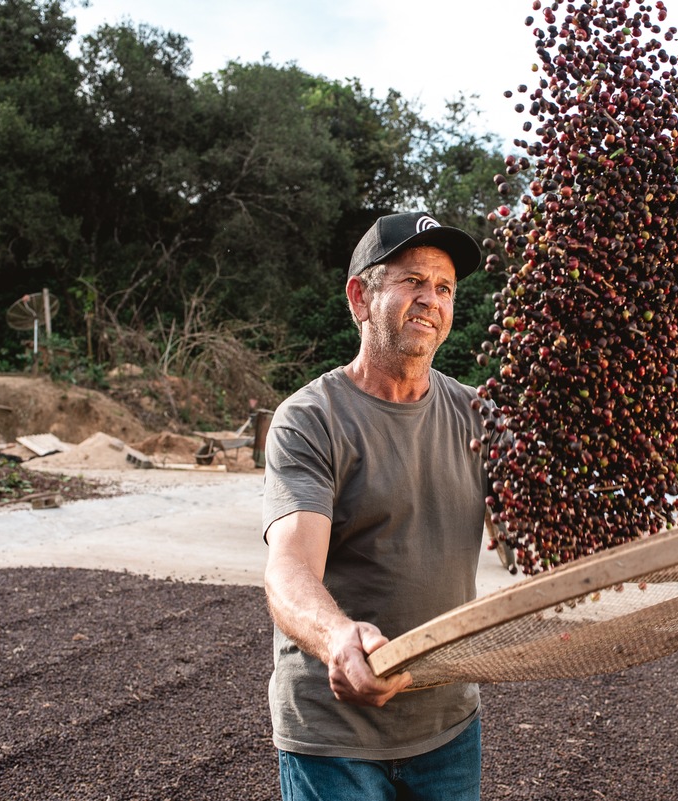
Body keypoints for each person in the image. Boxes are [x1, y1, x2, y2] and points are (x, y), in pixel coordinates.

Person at [262, 211, 488, 800]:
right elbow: (289, 566)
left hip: (447, 726)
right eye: (412, 281)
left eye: (444, 288)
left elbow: (558, 522)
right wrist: (337, 636)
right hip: (334, 736)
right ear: (361, 296)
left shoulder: (480, 419)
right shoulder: (311, 419)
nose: (430, 300)